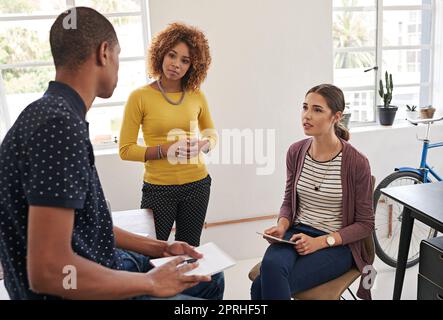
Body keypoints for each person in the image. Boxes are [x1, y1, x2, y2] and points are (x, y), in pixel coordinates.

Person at [0, 7, 223, 300]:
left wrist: (161, 248)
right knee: (200, 287)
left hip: (110, 259)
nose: (118, 66)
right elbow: (49, 272)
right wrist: (151, 284)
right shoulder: (58, 125)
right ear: (104, 53)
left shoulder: (52, 114)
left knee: (211, 276)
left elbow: (88, 225)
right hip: (91, 284)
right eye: (118, 55)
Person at [251, 84, 374, 300]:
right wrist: (282, 226)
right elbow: (289, 201)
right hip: (296, 234)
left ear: (336, 117)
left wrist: (320, 242)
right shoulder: (296, 152)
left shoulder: (356, 162)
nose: (307, 116)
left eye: (317, 110)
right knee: (271, 265)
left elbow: (365, 224)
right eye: (305, 107)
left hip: (337, 246)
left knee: (261, 286)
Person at [119, 22, 217, 247]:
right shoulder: (140, 97)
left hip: (197, 185)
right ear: (161, 54)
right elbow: (125, 150)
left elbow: (212, 135)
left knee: (189, 251)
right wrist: (164, 150)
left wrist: (202, 145)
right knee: (154, 251)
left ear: (193, 66)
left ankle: (192, 284)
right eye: (172, 55)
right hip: (158, 188)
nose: (176, 65)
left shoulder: (197, 95)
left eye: (185, 60)